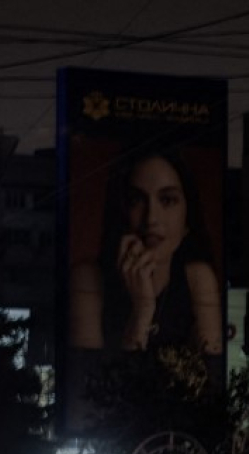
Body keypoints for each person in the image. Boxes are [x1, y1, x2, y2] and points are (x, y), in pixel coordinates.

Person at [70, 148, 222, 356]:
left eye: (167, 200)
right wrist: (142, 312)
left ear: (187, 217)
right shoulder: (88, 279)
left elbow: (210, 375)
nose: (151, 218)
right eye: (136, 200)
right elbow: (91, 382)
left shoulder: (198, 278)